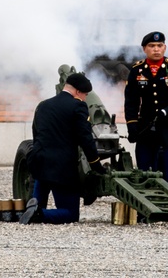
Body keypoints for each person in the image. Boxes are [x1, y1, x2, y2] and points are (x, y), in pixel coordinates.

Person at [20, 71, 103, 224]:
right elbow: (85, 139)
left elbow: (37, 134)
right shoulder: (78, 106)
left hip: (39, 164)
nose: (85, 97)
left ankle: (34, 210)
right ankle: (39, 214)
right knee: (70, 214)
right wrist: (96, 164)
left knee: (38, 202)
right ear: (78, 92)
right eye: (85, 94)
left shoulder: (43, 105)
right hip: (62, 169)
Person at [123, 31, 168, 193]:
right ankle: (146, 210)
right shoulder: (137, 70)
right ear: (144, 49)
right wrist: (132, 126)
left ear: (165, 47)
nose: (156, 49)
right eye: (152, 46)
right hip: (147, 130)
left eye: (159, 46)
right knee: (144, 172)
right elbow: (131, 101)